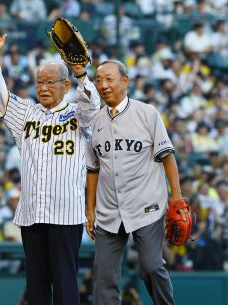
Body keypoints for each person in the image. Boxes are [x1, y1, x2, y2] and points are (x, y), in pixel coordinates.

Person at [0, 21, 100, 305]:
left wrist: (82, 74)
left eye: (50, 82)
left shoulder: (77, 114)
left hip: (65, 214)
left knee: (64, 284)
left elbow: (93, 105)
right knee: (35, 287)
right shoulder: (26, 112)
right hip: (32, 213)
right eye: (40, 82)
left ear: (65, 85)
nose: (44, 87)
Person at [86, 60, 189, 305]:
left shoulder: (147, 113)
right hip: (109, 209)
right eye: (99, 80)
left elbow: (167, 157)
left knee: (152, 266)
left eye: (109, 79)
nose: (103, 85)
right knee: (103, 277)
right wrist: (90, 210)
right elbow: (92, 169)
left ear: (125, 81)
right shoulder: (94, 121)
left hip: (147, 204)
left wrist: (176, 195)